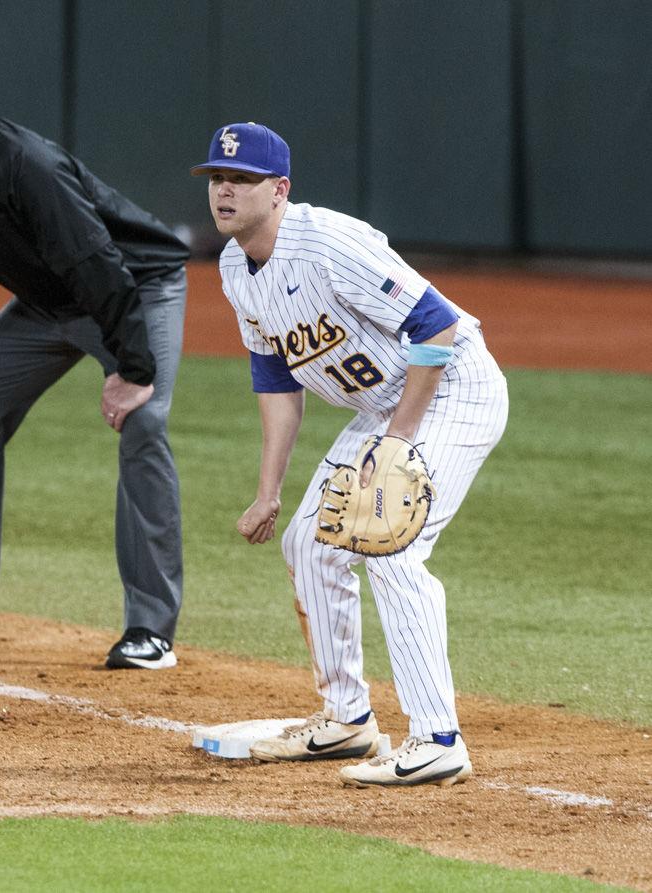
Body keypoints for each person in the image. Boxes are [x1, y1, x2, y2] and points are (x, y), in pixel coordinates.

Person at [191, 122, 508, 787]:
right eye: (218, 178)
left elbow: (437, 327)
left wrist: (396, 445)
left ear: (279, 190)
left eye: (242, 180)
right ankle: (347, 719)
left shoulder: (329, 243)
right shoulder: (232, 267)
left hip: (453, 388)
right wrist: (269, 490)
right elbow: (277, 379)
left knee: (389, 540)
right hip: (384, 407)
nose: (225, 190)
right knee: (309, 542)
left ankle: (437, 737)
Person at [0, 112, 189, 669]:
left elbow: (98, 265)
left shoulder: (25, 166)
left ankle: (150, 629)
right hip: (49, 304)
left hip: (136, 288)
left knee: (144, 423)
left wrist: (134, 370)